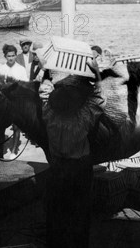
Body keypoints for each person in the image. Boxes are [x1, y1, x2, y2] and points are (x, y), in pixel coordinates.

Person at [42, 44, 104, 248]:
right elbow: (99, 100)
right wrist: (96, 75)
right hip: (79, 169)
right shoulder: (82, 118)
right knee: (80, 211)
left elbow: (44, 100)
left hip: (57, 168)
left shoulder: (49, 116)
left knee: (57, 210)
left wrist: (46, 71)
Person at [0, 44, 28, 159]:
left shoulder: (21, 69)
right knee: (1, 126)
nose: (11, 58)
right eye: (8, 56)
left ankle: (14, 150)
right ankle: (0, 148)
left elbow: (25, 85)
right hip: (4, 101)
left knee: (16, 126)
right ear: (5, 57)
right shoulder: (1, 68)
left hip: (16, 100)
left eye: (13, 55)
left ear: (16, 56)